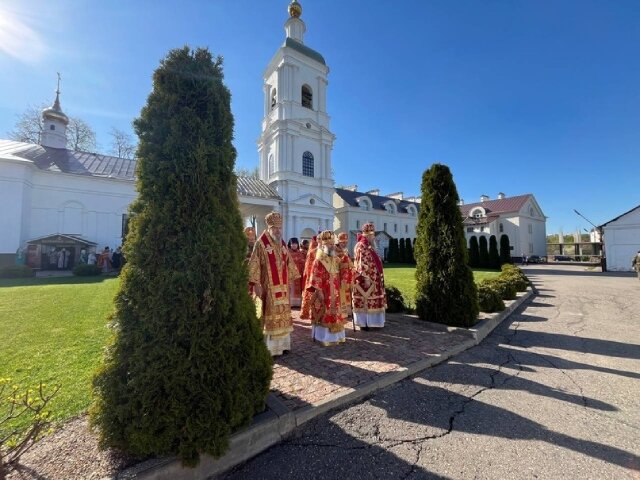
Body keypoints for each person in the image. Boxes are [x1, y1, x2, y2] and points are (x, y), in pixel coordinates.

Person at [248, 212, 300, 356]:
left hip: (282, 286)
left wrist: (290, 280)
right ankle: (270, 349)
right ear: (269, 227)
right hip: (267, 286)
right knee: (269, 314)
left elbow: (288, 262)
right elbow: (254, 264)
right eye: (275, 228)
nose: (278, 230)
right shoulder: (261, 243)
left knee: (283, 313)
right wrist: (256, 284)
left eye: (279, 228)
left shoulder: (282, 244)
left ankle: (283, 345)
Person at [306, 230, 348, 345]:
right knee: (325, 313)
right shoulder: (319, 260)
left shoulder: (335, 258)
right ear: (323, 245)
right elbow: (315, 276)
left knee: (336, 313)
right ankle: (324, 337)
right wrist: (319, 291)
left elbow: (343, 268)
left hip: (335, 291)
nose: (331, 246)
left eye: (332, 244)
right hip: (324, 291)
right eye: (329, 244)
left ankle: (336, 336)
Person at [352, 223, 387, 330]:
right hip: (366, 280)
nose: (374, 237)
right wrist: (366, 277)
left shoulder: (369, 245)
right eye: (372, 235)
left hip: (375, 279)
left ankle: (374, 323)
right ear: (367, 235)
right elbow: (361, 263)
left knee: (374, 300)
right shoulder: (361, 245)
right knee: (366, 301)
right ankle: (365, 323)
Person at [300, 235, 319, 320]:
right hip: (311, 277)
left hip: (316, 277)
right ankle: (311, 313)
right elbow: (308, 267)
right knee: (311, 295)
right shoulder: (312, 252)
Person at [336, 232, 354, 318]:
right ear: (339, 241)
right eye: (343, 242)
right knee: (340, 293)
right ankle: (341, 312)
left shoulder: (346, 250)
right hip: (339, 276)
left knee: (347, 293)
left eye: (346, 242)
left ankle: (347, 311)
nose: (345, 244)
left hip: (347, 275)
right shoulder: (334, 250)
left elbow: (349, 261)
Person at [287, 237, 306, 307]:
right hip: (290, 274)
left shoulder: (300, 253)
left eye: (295, 244)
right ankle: (291, 303)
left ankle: (298, 303)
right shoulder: (287, 252)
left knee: (299, 288)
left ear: (297, 244)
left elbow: (304, 262)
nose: (294, 245)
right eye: (292, 244)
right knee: (291, 288)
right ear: (290, 244)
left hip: (299, 273)